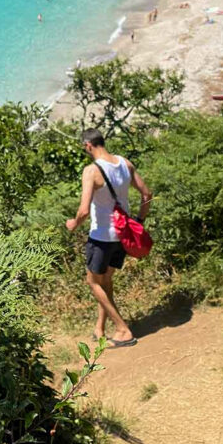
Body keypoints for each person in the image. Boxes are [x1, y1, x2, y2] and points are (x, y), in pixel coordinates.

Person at [65, 128, 153, 347]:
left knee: (93, 282)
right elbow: (147, 194)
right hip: (121, 237)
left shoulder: (91, 171)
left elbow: (84, 210)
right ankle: (100, 328)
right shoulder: (125, 163)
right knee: (106, 281)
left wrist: (73, 224)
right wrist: (139, 221)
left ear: (88, 146)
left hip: (102, 237)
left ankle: (123, 330)